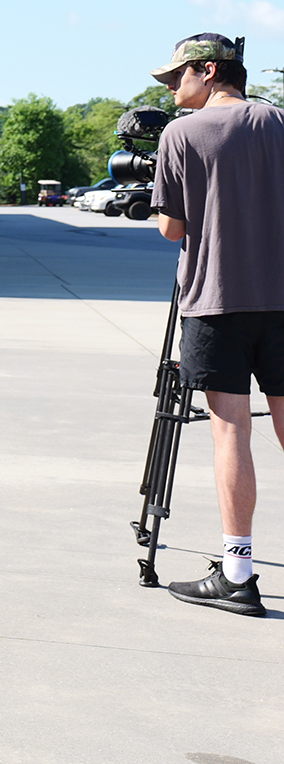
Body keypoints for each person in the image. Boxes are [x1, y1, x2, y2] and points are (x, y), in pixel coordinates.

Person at [148, 33, 284, 616]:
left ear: (210, 71)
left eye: (178, 77)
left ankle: (237, 573)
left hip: (216, 302)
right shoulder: (279, 122)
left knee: (231, 430)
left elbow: (173, 231)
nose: (173, 88)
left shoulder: (179, 134)